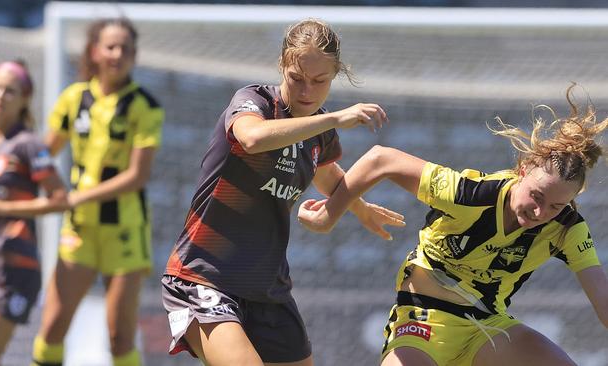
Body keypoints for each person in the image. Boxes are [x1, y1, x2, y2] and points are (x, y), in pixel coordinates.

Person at [297, 85, 608, 366]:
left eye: (556, 206)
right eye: (536, 196)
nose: (540, 211)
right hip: (421, 320)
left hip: (487, 327)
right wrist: (329, 216)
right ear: (524, 170)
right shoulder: (469, 194)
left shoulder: (569, 229)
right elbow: (380, 159)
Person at [162, 18, 406, 366]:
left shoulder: (318, 133)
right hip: (204, 276)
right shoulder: (254, 101)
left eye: (319, 81)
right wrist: (334, 118)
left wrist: (360, 207)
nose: (307, 91)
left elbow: (329, 177)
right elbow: (252, 138)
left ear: (335, 75)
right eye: (297, 78)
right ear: (282, 65)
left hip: (267, 287)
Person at [31, 18, 164, 366]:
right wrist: (49, 188)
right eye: (110, 46)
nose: (117, 54)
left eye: (125, 48)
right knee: (53, 327)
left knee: (120, 337)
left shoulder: (144, 106)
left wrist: (74, 197)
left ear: (134, 55)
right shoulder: (74, 99)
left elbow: (137, 176)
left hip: (125, 232)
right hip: (79, 230)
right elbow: (43, 154)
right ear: (94, 51)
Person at [0, 60, 68, 366]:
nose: (0, 95)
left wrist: (4, 207)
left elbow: (61, 199)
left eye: (10, 90)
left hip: (15, 269)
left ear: (24, 99)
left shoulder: (28, 145)